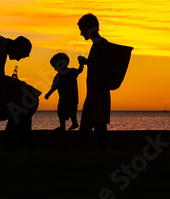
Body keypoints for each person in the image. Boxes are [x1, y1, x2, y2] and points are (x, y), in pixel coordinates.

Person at [77, 14, 133, 144]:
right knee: (99, 130)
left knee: (87, 132)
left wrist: (88, 63)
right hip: (97, 96)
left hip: (96, 96)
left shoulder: (100, 45)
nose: (80, 33)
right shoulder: (99, 45)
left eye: (82, 29)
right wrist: (87, 62)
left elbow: (100, 69)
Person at [44, 53, 84, 131]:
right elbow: (55, 86)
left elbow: (80, 70)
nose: (55, 68)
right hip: (65, 97)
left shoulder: (70, 72)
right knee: (62, 111)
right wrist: (48, 94)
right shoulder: (59, 76)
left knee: (71, 110)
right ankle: (64, 126)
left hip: (71, 97)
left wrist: (81, 63)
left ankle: (73, 123)